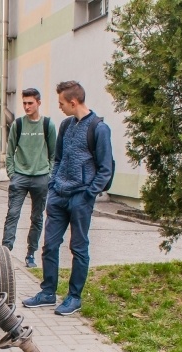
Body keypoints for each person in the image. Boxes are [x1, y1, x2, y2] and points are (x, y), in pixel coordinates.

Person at [22, 81, 113, 316]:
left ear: (73, 102)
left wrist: (89, 193)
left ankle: (74, 297)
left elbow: (105, 169)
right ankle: (48, 292)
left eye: (62, 103)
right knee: (50, 246)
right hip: (59, 196)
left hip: (81, 198)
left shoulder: (99, 128)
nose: (60, 107)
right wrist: (53, 185)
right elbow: (58, 158)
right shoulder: (66, 125)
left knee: (78, 248)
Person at [1, 88, 57, 268]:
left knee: (37, 218)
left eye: (30, 103)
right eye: (24, 103)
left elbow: (54, 153)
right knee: (12, 214)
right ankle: (6, 252)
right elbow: (9, 153)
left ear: (38, 103)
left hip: (41, 178)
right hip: (20, 177)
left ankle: (30, 254)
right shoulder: (18, 125)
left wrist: (48, 174)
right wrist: (12, 174)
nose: (26, 106)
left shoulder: (47, 125)